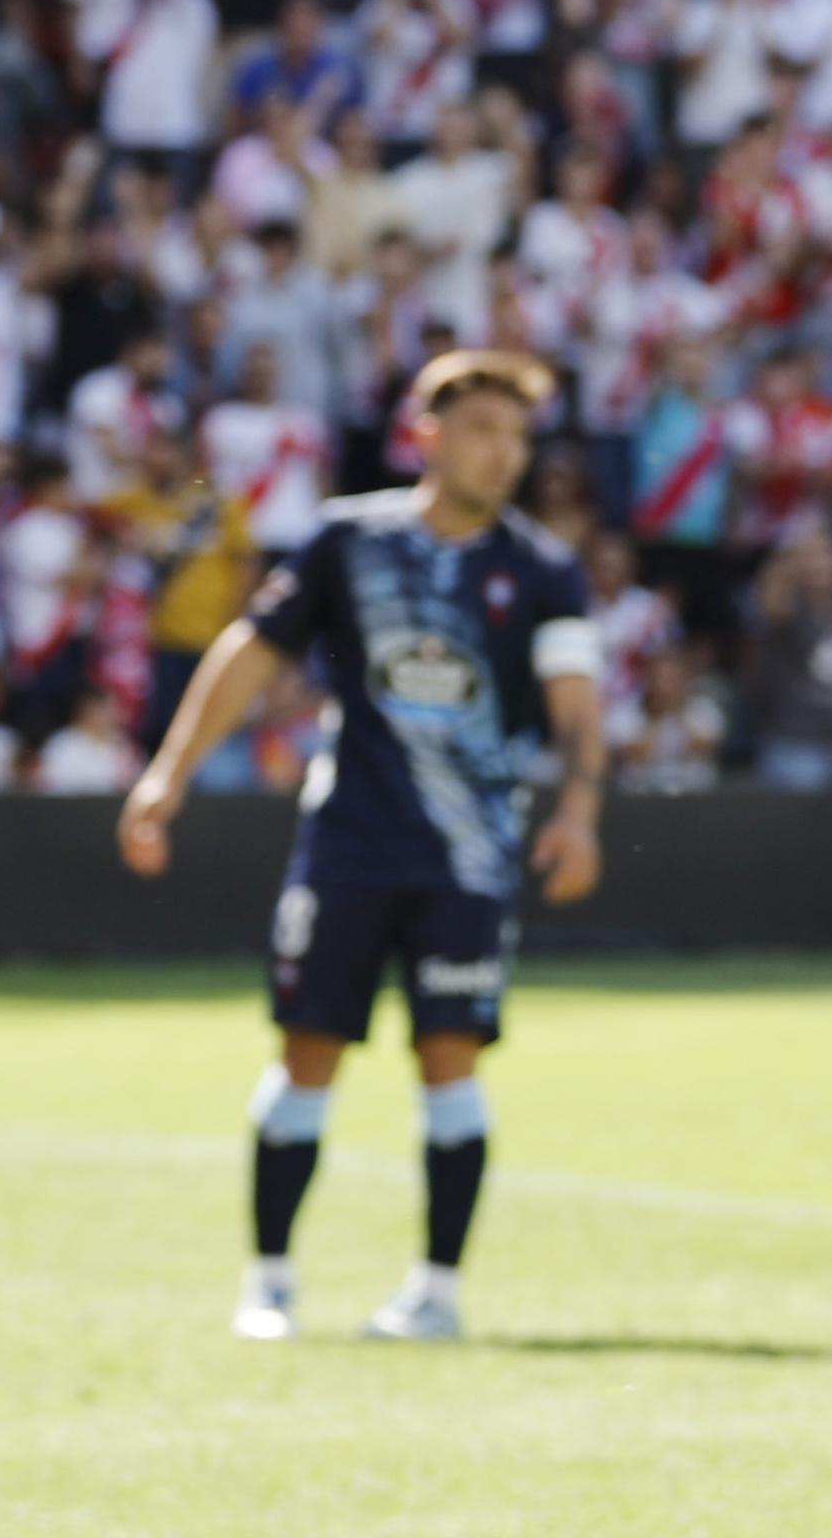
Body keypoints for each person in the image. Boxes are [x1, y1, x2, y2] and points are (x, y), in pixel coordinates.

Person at [116, 352, 608, 1344]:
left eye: (515, 438)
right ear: (423, 435)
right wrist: (170, 770)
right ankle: (271, 1282)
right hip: (346, 845)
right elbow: (251, 653)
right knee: (305, 1058)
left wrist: (579, 811)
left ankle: (435, 1294)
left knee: (451, 1066)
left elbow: (576, 701)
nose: (501, 454)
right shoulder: (349, 541)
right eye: (481, 430)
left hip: (468, 857)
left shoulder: (544, 570)